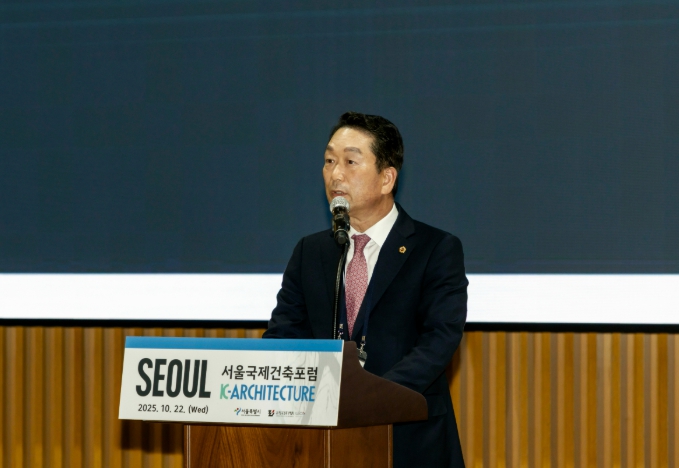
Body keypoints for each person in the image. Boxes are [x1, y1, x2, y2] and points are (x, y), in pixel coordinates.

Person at [263, 111, 468, 468]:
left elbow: (439, 340)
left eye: (350, 162)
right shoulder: (311, 251)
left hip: (409, 439)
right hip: (320, 441)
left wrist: (370, 399)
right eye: (329, 161)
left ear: (387, 178)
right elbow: (283, 336)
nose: (335, 175)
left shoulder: (435, 248)